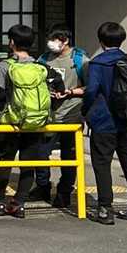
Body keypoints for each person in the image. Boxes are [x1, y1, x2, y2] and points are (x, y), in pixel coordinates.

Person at [83, 21, 127, 226]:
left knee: (102, 164)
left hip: (103, 120)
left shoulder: (98, 64)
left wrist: (86, 111)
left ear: (101, 41)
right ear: (122, 40)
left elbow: (91, 90)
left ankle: (105, 209)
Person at [0, 25, 53, 219]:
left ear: (12, 42)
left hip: (11, 122)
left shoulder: (5, 65)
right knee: (28, 162)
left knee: (5, 161)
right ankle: (19, 203)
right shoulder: (41, 66)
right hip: (35, 122)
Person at [34, 26, 87, 209]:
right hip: (48, 115)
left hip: (72, 114)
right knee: (41, 153)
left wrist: (70, 92)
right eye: (49, 39)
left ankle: (64, 191)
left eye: (55, 39)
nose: (51, 43)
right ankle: (42, 186)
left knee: (69, 155)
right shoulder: (43, 59)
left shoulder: (80, 60)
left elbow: (91, 86)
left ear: (65, 41)